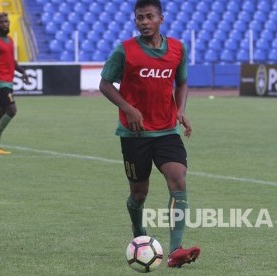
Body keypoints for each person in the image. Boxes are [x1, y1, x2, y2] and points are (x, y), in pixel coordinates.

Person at [99, 0, 200, 268]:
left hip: (167, 131)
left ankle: (176, 250)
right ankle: (138, 233)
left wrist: (180, 110)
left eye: (149, 17)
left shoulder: (178, 48)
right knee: (139, 195)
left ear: (161, 19)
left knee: (178, 179)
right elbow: (105, 83)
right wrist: (127, 108)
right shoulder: (125, 51)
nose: (144, 22)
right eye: (139, 17)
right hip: (135, 135)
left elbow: (182, 82)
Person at [0, 12, 30, 155]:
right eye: (1, 22)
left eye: (6, 21)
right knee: (12, 110)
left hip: (8, 82)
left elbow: (12, 61)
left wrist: (22, 72)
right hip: (0, 83)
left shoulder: (10, 40)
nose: (5, 24)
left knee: (1, 112)